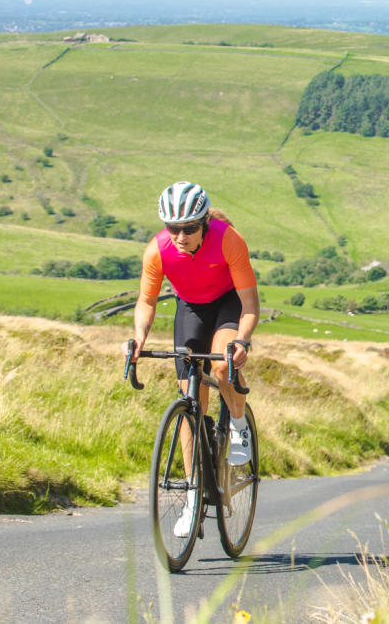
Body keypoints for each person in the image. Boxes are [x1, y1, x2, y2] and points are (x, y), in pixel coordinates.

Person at [125, 181, 260, 537]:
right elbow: (147, 301)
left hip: (228, 304)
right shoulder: (157, 250)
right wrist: (139, 338)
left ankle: (238, 421)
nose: (180, 236)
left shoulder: (228, 239)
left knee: (220, 364)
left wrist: (242, 341)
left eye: (188, 229)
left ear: (203, 223)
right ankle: (193, 493)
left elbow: (249, 304)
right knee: (190, 398)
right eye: (173, 229)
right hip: (191, 308)